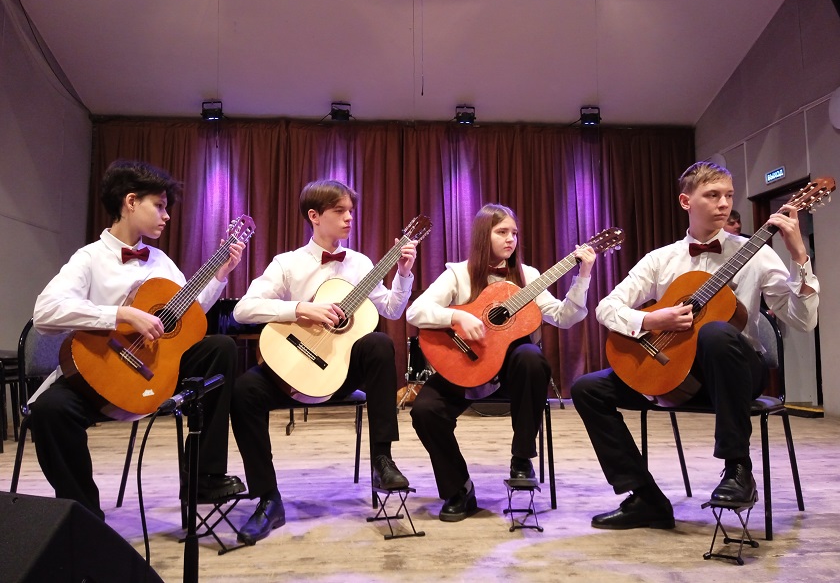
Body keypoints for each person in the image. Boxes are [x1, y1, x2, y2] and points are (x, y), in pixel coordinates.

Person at [571, 161, 819, 530]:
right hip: (678, 373)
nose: (724, 203)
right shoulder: (661, 259)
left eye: (729, 195)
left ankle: (738, 470)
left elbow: (804, 320)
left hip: (736, 371)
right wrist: (653, 320)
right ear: (686, 201)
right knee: (587, 389)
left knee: (715, 333)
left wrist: (799, 256)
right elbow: (606, 308)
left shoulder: (756, 252)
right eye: (713, 195)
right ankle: (646, 498)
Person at [29, 159, 246, 520]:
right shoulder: (89, 258)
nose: (167, 216)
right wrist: (121, 315)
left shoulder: (160, 261)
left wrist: (220, 275)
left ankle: (203, 477)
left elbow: (186, 317)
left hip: (152, 371)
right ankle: (84, 518)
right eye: (159, 206)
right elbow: (45, 313)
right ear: (131, 202)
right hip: (99, 375)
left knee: (220, 348)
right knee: (50, 411)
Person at [230, 179, 418, 545]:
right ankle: (267, 499)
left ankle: (382, 461)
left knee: (379, 343)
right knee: (243, 391)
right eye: (339, 211)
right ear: (314, 216)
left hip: (340, 372)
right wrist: (301, 308)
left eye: (351, 211)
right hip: (291, 370)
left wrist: (404, 273)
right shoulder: (287, 264)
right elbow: (243, 309)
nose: (349, 218)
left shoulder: (361, 264)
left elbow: (393, 309)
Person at [406, 203, 595, 522]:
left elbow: (563, 317)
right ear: (484, 235)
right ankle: (458, 489)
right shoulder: (458, 273)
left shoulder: (528, 276)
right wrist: (456, 317)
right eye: (502, 232)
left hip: (512, 376)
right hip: (466, 365)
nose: (511, 239)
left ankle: (521, 459)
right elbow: (415, 312)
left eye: (515, 233)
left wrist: (583, 276)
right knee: (425, 411)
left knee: (531, 357)